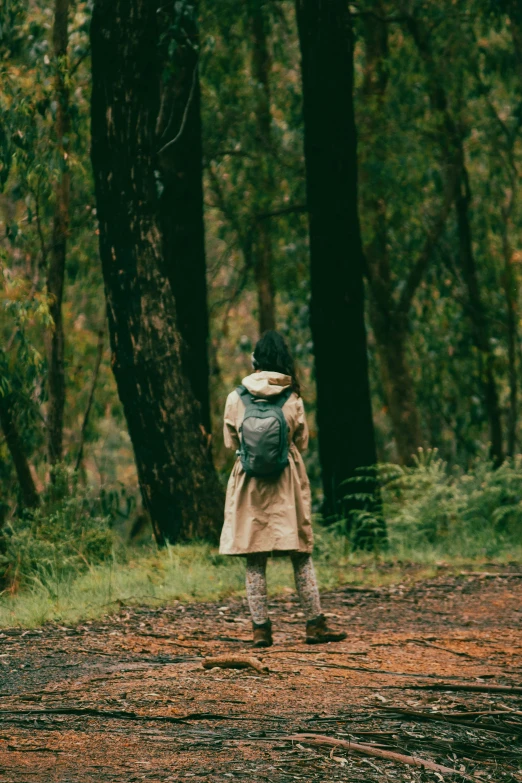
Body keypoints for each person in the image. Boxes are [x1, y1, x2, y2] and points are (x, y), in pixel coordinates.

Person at [220, 330, 347, 648]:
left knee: (254, 557)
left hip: (249, 483)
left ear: (255, 361)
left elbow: (230, 441)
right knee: (300, 554)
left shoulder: (236, 397)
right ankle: (314, 625)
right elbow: (302, 441)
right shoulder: (292, 397)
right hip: (285, 483)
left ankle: (261, 630)